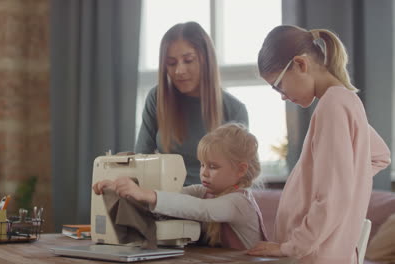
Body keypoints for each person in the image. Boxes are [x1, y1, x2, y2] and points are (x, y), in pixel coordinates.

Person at [246, 25, 391, 264]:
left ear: (301, 65)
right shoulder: (345, 101)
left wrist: (292, 247)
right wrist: (347, 183)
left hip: (314, 255)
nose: (282, 96)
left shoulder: (332, 106)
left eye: (279, 86)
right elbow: (379, 155)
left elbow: (332, 196)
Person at [95, 123, 267, 249]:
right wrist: (118, 188)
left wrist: (147, 194)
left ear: (240, 170)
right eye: (202, 165)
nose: (204, 173)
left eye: (213, 167)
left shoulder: (240, 202)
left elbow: (202, 209)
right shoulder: (204, 191)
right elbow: (174, 195)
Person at [135, 21, 249, 186]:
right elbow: (141, 159)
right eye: (171, 63)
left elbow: (242, 178)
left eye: (188, 60)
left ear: (206, 60)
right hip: (164, 202)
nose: (179, 71)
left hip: (212, 205)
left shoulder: (235, 110)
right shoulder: (157, 98)